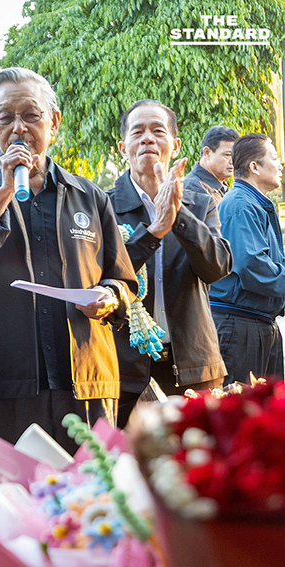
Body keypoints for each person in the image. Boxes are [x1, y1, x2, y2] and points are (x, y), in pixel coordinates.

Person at [0, 67, 136, 455]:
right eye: (6, 117)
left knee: (93, 498)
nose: (18, 128)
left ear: (54, 122)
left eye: (30, 115)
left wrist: (110, 296)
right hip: (10, 383)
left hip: (87, 377)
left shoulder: (90, 197)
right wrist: (0, 196)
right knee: (22, 498)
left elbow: (124, 280)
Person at [107, 100, 231, 427]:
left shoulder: (200, 202)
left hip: (193, 364)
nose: (148, 139)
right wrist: (153, 230)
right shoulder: (103, 204)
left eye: (157, 131)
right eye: (138, 132)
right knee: (126, 470)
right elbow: (102, 275)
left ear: (174, 146)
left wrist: (177, 212)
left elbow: (217, 268)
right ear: (124, 147)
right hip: (124, 368)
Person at [209, 133, 285, 385]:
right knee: (239, 411)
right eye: (274, 158)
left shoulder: (255, 203)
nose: (280, 164)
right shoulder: (240, 204)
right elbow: (254, 267)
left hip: (259, 323)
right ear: (254, 167)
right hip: (239, 325)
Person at [184, 126, 239, 203]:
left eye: (235, 156)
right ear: (207, 152)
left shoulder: (220, 188)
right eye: (227, 155)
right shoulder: (194, 190)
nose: (232, 161)